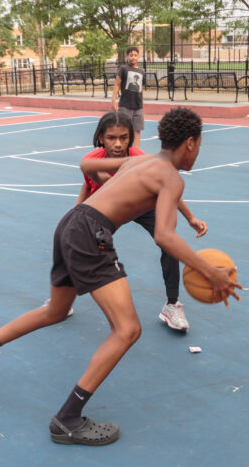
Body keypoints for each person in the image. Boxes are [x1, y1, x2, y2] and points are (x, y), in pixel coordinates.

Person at [0, 107, 241, 446]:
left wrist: (110, 186)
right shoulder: (171, 177)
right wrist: (211, 272)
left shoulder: (138, 162)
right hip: (90, 233)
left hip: (70, 222)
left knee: (55, 311)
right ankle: (68, 418)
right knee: (127, 329)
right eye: (200, 145)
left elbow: (87, 166)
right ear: (190, 142)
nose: (198, 151)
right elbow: (164, 235)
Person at [78, 111, 207, 332]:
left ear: (131, 138)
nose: (118, 144)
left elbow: (166, 187)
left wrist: (190, 217)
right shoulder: (92, 160)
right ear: (101, 138)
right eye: (111, 138)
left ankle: (172, 304)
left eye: (124, 138)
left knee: (169, 243)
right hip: (107, 213)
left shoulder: (138, 157)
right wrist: (76, 211)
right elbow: (87, 186)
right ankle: (61, 298)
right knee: (85, 248)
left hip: (140, 208)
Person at [110, 46, 146, 148]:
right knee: (124, 130)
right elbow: (117, 84)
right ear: (127, 56)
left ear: (138, 56)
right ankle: (123, 150)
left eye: (135, 55)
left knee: (137, 131)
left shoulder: (142, 71)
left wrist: (142, 104)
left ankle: (136, 153)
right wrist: (113, 100)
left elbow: (141, 89)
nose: (133, 57)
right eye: (131, 55)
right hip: (125, 106)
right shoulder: (123, 69)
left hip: (138, 107)